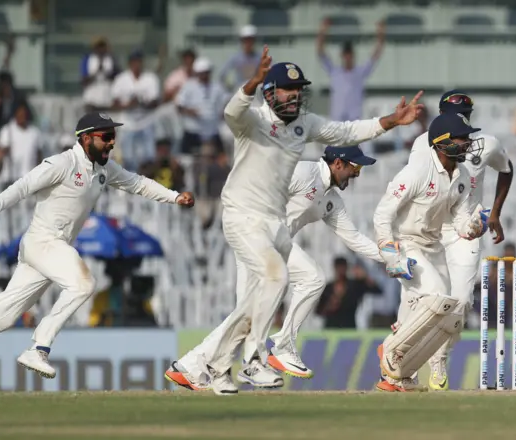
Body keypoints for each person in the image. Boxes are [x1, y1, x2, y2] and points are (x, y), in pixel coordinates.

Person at [178, 45, 424, 395]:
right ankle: (255, 360)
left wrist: (390, 121)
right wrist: (252, 82)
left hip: (273, 226)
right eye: (286, 90)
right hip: (243, 217)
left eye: (298, 91)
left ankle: (206, 368)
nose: (294, 97)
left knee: (253, 306)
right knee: (280, 279)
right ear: (269, 92)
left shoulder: (305, 127)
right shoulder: (255, 120)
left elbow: (346, 132)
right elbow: (232, 112)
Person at [0, 112, 195, 393]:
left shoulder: (104, 170)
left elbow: (138, 183)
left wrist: (174, 196)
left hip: (50, 248)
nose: (111, 143)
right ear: (86, 139)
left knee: (1, 317)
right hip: (43, 241)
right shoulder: (63, 163)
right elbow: (23, 185)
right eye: (106, 137)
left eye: (113, 137)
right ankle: (40, 347)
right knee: (84, 284)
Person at [167, 145, 386, 390]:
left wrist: (391, 257)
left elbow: (354, 238)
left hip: (274, 246)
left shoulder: (331, 200)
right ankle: (278, 347)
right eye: (355, 167)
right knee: (311, 278)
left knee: (249, 314)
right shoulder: (304, 172)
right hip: (256, 236)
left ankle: (190, 366)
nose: (357, 174)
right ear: (338, 163)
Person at [374, 113, 489, 392]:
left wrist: (473, 227)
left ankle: (400, 375)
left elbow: (460, 222)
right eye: (462, 138)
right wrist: (390, 253)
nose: (468, 143)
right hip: (406, 243)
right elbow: (382, 213)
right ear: (443, 142)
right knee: (437, 297)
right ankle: (389, 350)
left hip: (433, 245)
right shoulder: (417, 171)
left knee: (452, 312)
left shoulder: (461, 176)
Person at [408, 90, 513, 391]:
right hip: (430, 230)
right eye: (454, 114)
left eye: (465, 115)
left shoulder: (485, 144)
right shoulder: (422, 144)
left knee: (462, 302)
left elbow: (507, 169)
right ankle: (408, 363)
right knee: (425, 300)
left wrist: (494, 213)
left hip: (465, 232)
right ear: (441, 115)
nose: (461, 120)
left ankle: (439, 357)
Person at [317, 18, 386, 122]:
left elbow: (375, 55)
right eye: (346, 55)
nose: (348, 57)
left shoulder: (360, 72)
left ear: (353, 55)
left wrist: (380, 33)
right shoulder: (334, 71)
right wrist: (323, 30)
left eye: (349, 55)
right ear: (342, 55)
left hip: (354, 120)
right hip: (337, 120)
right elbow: (320, 52)